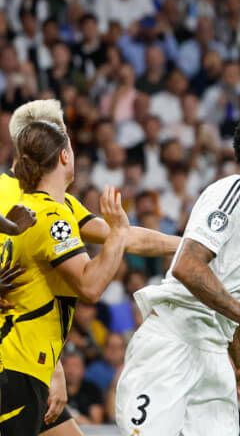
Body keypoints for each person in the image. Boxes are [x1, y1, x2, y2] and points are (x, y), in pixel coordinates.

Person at [1, 99, 181, 436]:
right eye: (63, 134)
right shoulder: (17, 199)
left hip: (35, 358)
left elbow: (124, 236)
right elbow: (89, 282)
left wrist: (190, 245)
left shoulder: (60, 203)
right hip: (16, 359)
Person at [114, 112, 240, 436]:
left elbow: (230, 294)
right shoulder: (235, 192)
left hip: (214, 358)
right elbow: (187, 266)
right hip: (174, 342)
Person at [0, 121, 131, 436]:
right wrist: (119, 233)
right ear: (63, 157)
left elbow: (33, 292)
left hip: (32, 364)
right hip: (15, 367)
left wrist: (188, 246)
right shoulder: (50, 215)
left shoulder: (32, 210)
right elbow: (91, 286)